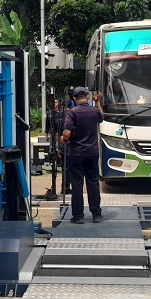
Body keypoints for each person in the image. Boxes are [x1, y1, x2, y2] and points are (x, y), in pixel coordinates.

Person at [60, 87, 104, 223]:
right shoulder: (94, 111)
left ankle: (78, 216)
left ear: (74, 98)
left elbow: (67, 133)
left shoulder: (72, 112)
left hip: (77, 153)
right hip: (92, 153)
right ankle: (96, 214)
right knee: (93, 183)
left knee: (77, 184)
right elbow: (101, 118)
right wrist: (98, 102)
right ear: (88, 97)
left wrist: (64, 139)